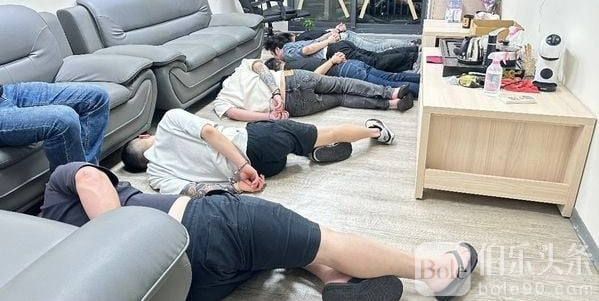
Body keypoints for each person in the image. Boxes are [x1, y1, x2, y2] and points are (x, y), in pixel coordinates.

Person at [41, 161, 479, 301]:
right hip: (202, 228)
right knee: (323, 237)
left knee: (284, 250)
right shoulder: (58, 188)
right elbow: (90, 177)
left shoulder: (47, 261)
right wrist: (126, 256)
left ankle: (335, 279)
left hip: (196, 285)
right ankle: (436, 271)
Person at [120, 109, 396, 196]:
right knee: (328, 132)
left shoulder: (155, 177)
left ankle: (308, 152)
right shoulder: (168, 122)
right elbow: (210, 133)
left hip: (263, 172)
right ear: (143, 137)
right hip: (255, 144)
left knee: (286, 150)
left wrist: (237, 186)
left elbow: (193, 190)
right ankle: (377, 132)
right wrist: (242, 164)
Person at [213, 59, 414, 122]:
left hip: (292, 106)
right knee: (342, 84)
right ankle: (391, 92)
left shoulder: (220, 102)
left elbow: (237, 114)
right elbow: (262, 68)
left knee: (341, 99)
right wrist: (275, 91)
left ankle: (391, 104)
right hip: (290, 78)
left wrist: (270, 117)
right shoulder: (240, 69)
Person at [0, 82, 110, 171]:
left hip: (5, 92)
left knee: (97, 97)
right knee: (63, 119)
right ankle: (74, 188)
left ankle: (88, 177)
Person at [264, 52, 420, 98]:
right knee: (392, 77)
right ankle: (425, 81)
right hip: (351, 64)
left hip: (344, 70)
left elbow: (315, 75)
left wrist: (332, 61)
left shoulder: (292, 69)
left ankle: (425, 93)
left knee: (389, 85)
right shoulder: (296, 61)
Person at [264, 28, 419, 73]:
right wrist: (331, 36)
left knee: (375, 62)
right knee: (376, 55)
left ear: (277, 49)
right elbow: (315, 41)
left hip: (334, 50)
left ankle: (413, 59)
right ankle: (413, 51)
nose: (276, 57)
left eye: (273, 54)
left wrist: (329, 41)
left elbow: (308, 49)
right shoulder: (295, 43)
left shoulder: (287, 52)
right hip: (340, 45)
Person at [297, 23, 418, 53]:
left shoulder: (301, 40)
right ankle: (410, 44)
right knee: (378, 45)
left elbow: (320, 39)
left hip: (343, 38)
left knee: (377, 48)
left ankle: (411, 45)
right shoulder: (305, 33)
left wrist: (335, 32)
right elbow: (326, 31)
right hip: (346, 34)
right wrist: (337, 29)